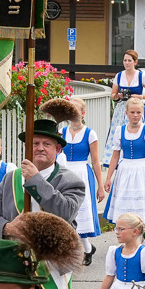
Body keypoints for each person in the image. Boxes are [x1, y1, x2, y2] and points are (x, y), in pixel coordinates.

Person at [0, 119, 90, 239]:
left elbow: (65, 214)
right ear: (26, 146)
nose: (40, 148)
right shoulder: (10, 178)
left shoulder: (71, 181)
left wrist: (35, 180)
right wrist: (9, 228)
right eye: (35, 143)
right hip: (15, 248)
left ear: (58, 149)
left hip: (53, 249)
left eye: (47, 144)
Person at [50, 96, 104, 257]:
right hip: (64, 172)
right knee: (65, 209)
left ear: (83, 113)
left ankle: (85, 248)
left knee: (80, 211)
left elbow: (95, 161)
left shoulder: (90, 133)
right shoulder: (62, 132)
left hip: (82, 173)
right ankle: (84, 249)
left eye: (75, 110)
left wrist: (101, 186)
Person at [105, 99, 145, 227]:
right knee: (123, 201)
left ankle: (140, 234)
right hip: (124, 170)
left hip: (141, 169)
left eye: (138, 112)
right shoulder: (120, 130)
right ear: (126, 113)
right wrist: (108, 178)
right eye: (132, 112)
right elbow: (115, 156)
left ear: (143, 113)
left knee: (139, 202)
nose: (135, 115)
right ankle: (124, 232)